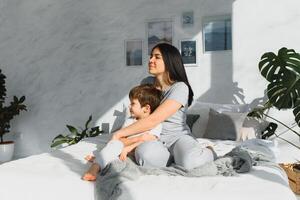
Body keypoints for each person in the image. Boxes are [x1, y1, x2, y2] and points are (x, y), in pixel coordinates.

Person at [112, 43, 215, 169]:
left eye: (157, 57)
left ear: (169, 61)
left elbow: (153, 119)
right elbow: (141, 113)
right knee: (145, 156)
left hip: (177, 137)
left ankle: (209, 151)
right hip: (153, 138)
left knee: (190, 163)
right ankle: (173, 158)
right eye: (151, 56)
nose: (150, 60)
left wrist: (119, 134)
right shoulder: (147, 82)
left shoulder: (180, 87)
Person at [82, 84, 162, 181]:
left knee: (116, 153)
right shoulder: (130, 121)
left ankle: (102, 158)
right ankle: (95, 166)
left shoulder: (156, 124)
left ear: (146, 108)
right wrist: (138, 138)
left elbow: (150, 140)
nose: (129, 106)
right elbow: (121, 140)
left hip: (138, 154)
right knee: (113, 146)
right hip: (123, 152)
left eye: (133, 103)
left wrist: (129, 148)